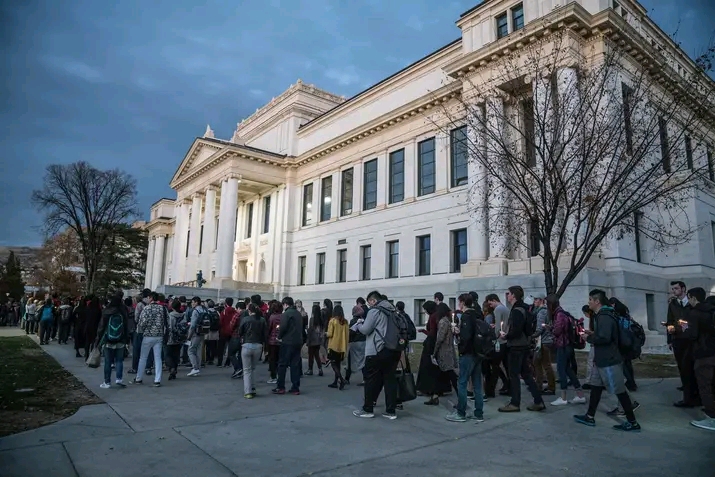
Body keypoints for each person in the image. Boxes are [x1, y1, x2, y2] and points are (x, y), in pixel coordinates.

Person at [574, 289, 641, 432]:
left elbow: (605, 338)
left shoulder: (604, 316)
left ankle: (632, 422)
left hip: (609, 360)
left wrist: (589, 338)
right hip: (602, 359)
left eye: (590, 300)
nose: (589, 302)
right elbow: (606, 334)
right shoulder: (604, 315)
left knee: (619, 391)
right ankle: (590, 416)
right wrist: (593, 333)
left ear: (597, 301)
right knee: (596, 388)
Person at [353, 291, 401, 420]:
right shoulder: (393, 310)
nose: (368, 306)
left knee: (370, 380)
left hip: (377, 349)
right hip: (394, 349)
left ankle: (368, 409)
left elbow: (365, 330)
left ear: (373, 301)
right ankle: (391, 411)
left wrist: (359, 324)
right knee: (389, 380)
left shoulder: (375, 311)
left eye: (369, 303)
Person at [497, 286, 545, 412]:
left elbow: (517, 330)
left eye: (509, 294)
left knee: (513, 375)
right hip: (523, 344)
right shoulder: (525, 308)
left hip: (516, 346)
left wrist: (506, 335)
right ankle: (538, 400)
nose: (507, 296)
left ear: (513, 295)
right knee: (526, 374)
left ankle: (515, 403)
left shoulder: (517, 310)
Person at [445, 293, 485, 423]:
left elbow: (466, 337)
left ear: (462, 302)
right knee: (477, 384)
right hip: (478, 352)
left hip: (468, 353)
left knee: (462, 383)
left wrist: (457, 333)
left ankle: (460, 412)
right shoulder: (478, 314)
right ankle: (478, 413)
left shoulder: (466, 316)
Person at [547, 294, 587, 406]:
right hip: (568, 345)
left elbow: (557, 331)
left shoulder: (559, 315)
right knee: (568, 370)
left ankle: (563, 397)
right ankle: (580, 395)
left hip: (563, 346)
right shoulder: (564, 313)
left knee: (561, 370)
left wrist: (549, 328)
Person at [133, 292, 167, 387]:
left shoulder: (146, 308)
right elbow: (167, 321)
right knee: (158, 358)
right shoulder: (162, 308)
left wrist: (140, 331)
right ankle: (157, 380)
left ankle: (139, 378)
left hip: (148, 335)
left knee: (143, 357)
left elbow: (142, 322)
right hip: (159, 335)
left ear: (151, 298)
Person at [97, 293, 130, 389]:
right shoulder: (123, 312)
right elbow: (126, 327)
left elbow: (101, 327)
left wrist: (98, 339)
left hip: (108, 340)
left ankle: (107, 382)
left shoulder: (107, 312)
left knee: (108, 361)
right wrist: (126, 339)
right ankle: (119, 379)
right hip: (120, 340)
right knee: (119, 360)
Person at [273, 297, 303, 395]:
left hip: (287, 341)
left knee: (282, 364)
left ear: (286, 304)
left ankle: (280, 387)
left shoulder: (286, 314)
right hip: (298, 342)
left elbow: (283, 327)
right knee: (295, 365)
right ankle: (295, 387)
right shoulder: (298, 314)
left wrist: (279, 336)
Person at [239, 303, 268, 399]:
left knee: (246, 370)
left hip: (247, 345)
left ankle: (248, 391)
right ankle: (252, 388)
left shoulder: (245, 319)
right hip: (258, 346)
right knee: (252, 369)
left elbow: (240, 332)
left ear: (249, 311)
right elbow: (265, 335)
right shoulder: (262, 320)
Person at [326, 305, 349, 390]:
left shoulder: (333, 321)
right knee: (338, 363)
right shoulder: (345, 322)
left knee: (333, 363)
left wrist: (325, 334)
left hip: (333, 346)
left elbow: (330, 334)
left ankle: (341, 379)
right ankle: (335, 382)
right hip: (342, 346)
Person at [346, 298, 368, 386]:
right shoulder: (364, 320)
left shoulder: (353, 321)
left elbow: (351, 333)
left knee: (350, 360)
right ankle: (365, 379)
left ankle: (347, 378)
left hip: (355, 342)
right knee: (363, 361)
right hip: (363, 341)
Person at [166, 299, 186, 380]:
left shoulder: (171, 316)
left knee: (168, 354)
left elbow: (171, 327)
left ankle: (172, 368)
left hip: (171, 338)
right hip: (180, 338)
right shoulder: (183, 315)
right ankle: (175, 370)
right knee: (176, 355)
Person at [187, 296, 206, 377]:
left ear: (196, 302)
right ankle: (197, 368)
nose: (192, 304)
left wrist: (189, 335)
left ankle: (195, 368)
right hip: (203, 332)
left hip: (196, 333)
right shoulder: (204, 309)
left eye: (192, 302)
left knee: (190, 350)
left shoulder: (195, 311)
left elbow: (193, 326)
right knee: (198, 350)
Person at [306, 304, 324, 376]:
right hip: (318, 340)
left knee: (311, 355)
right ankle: (320, 369)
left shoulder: (312, 319)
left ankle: (310, 369)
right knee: (316, 355)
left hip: (312, 340)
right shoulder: (320, 319)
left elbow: (310, 330)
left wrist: (308, 340)